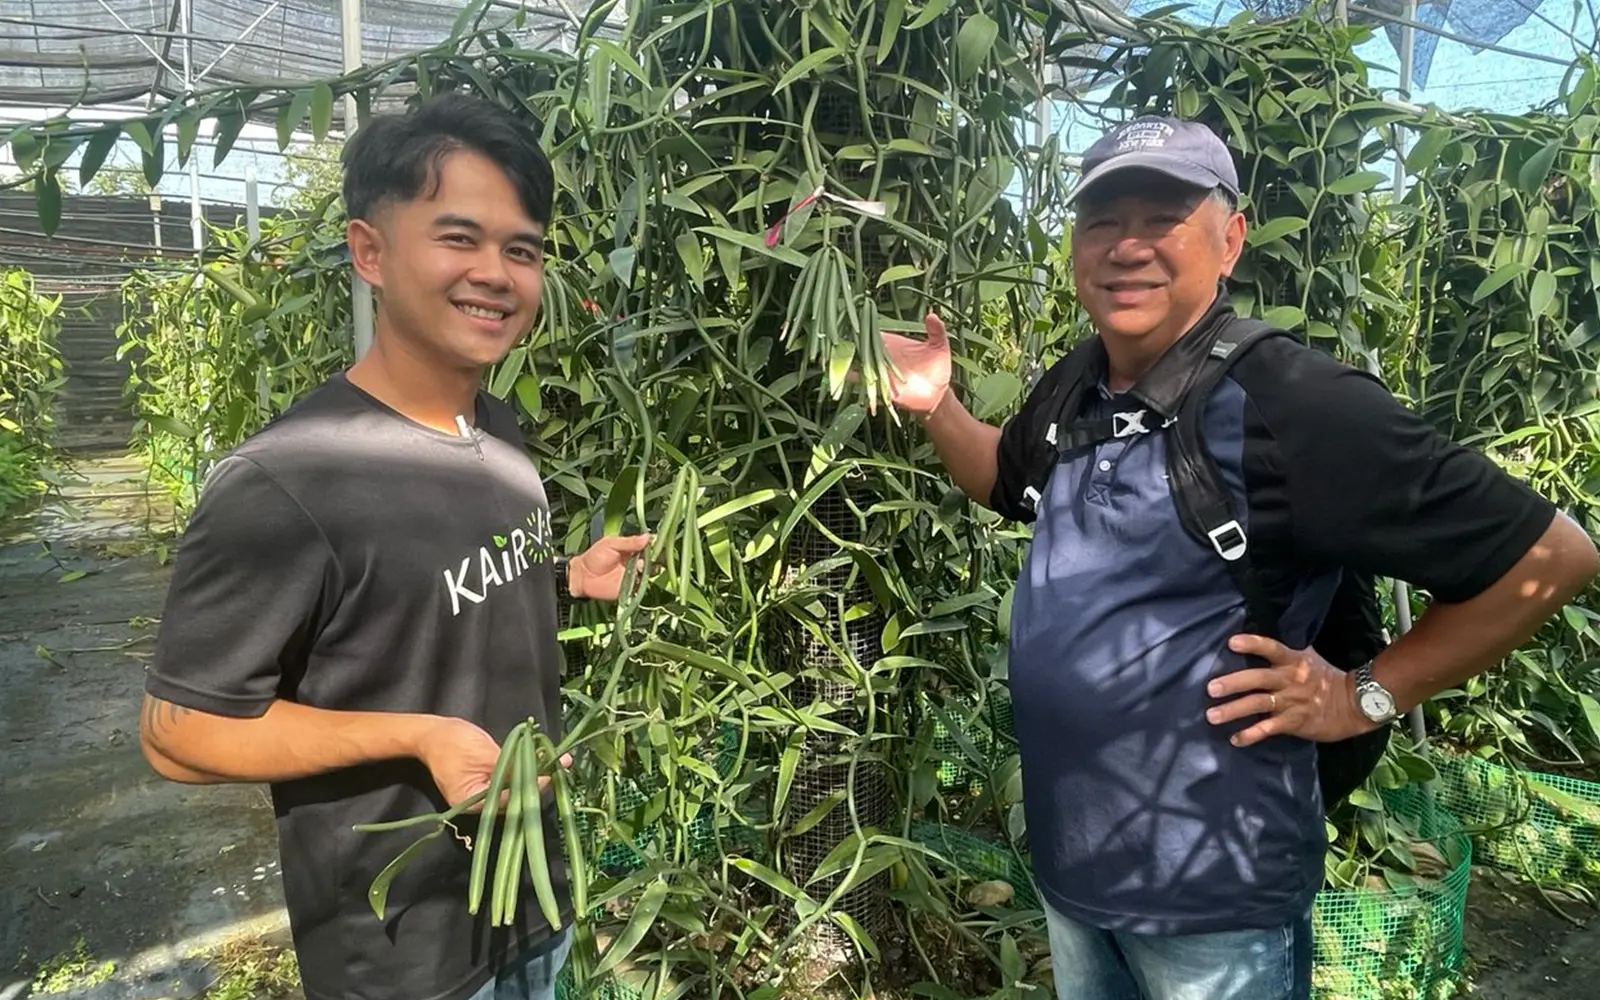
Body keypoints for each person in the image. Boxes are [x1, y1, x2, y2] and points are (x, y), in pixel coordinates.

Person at [880, 115, 1600, 1000]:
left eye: (1162, 218)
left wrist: (1363, 694)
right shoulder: (1079, 381)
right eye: (1102, 221)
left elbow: (1551, 557)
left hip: (1213, 897)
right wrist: (937, 404)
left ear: (1231, 240)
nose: (1126, 247)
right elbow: (1006, 479)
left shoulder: (1293, 402)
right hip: (1077, 871)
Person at [137, 92, 647, 1000]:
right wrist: (421, 738)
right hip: (403, 946)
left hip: (533, 900)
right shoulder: (290, 481)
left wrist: (561, 580)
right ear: (370, 251)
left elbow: (424, 596)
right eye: (459, 238)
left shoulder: (496, 432)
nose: (495, 272)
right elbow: (179, 733)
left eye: (520, 250)